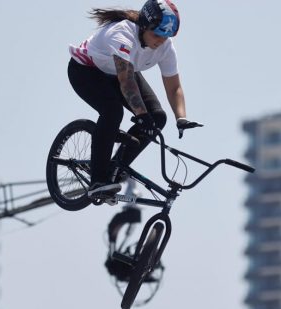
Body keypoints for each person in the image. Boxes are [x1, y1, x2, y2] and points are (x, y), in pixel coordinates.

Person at [68, 0, 203, 203]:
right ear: (143, 26)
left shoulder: (165, 47)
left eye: (166, 37)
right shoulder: (122, 33)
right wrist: (141, 116)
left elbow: (174, 87)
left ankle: (115, 168)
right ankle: (97, 180)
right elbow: (126, 81)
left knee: (157, 118)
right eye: (157, 34)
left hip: (119, 73)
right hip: (86, 71)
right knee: (112, 111)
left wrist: (181, 118)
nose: (161, 41)